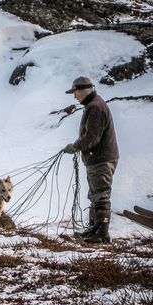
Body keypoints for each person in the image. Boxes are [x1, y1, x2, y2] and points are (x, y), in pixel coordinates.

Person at [63, 76, 119, 243]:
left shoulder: (94, 107)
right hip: (99, 158)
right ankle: (93, 230)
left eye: (75, 92)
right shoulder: (94, 104)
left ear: (82, 91)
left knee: (101, 195)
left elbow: (92, 137)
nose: (75, 96)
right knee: (95, 194)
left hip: (101, 159)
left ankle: (101, 234)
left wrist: (75, 146)